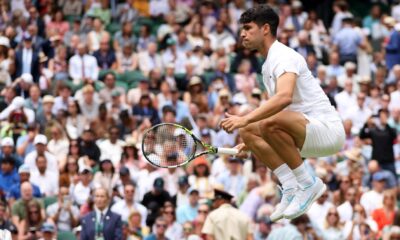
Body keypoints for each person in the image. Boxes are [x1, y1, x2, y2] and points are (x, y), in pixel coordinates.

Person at [220, 5, 345, 221]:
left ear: (265, 29)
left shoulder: (283, 55)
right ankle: (289, 187)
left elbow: (284, 98)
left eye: (248, 28)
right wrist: (251, 139)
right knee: (249, 131)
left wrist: (244, 118)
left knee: (259, 122)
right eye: (242, 29)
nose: (242, 33)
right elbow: (277, 112)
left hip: (328, 131)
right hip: (305, 133)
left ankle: (308, 184)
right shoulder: (268, 64)